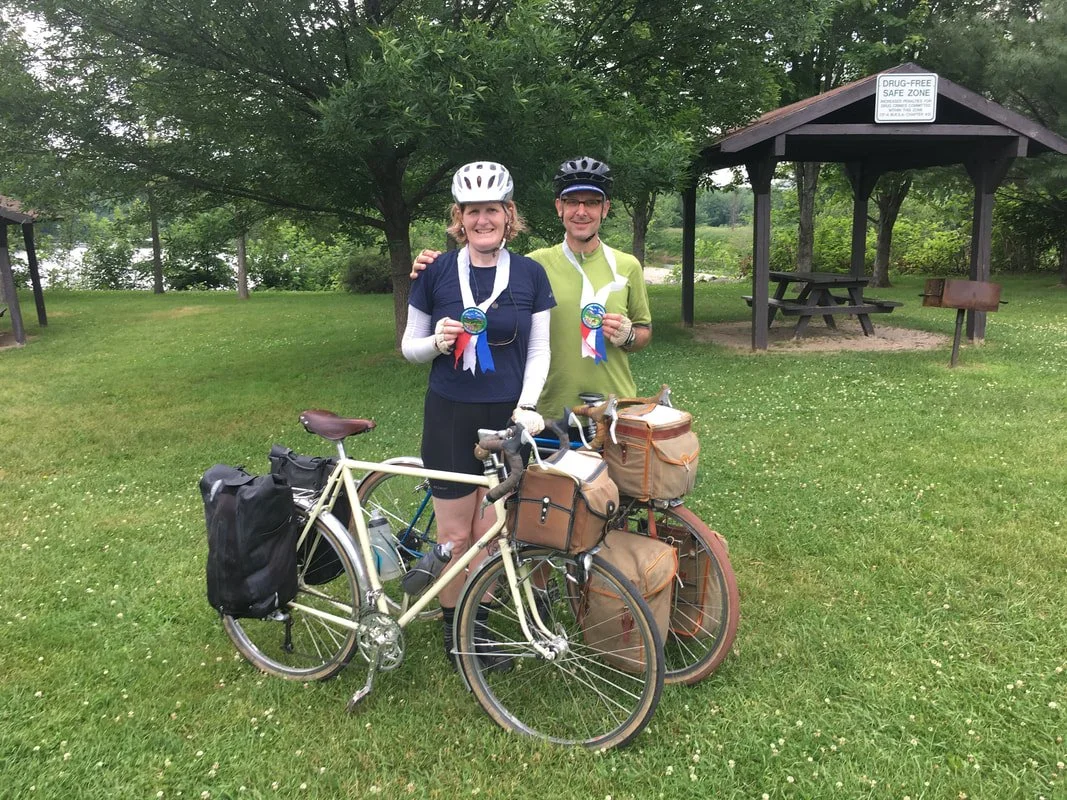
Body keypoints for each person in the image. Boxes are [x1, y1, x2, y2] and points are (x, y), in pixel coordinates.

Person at [401, 161, 555, 669]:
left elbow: (539, 350)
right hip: (449, 414)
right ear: (458, 218)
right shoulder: (437, 271)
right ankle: (454, 636)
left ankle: (478, 627)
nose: (482, 219)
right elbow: (408, 348)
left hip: (505, 417)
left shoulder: (531, 274)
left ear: (509, 216)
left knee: (492, 532)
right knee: (455, 535)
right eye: (472, 211)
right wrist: (437, 343)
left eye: (493, 210)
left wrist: (528, 406)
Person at [412, 156, 651, 420]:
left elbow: (644, 332)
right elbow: (485, 270)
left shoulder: (628, 266)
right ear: (559, 206)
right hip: (548, 408)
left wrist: (629, 336)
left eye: (592, 203)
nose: (581, 211)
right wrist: (429, 267)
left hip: (613, 407)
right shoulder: (532, 266)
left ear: (605, 208)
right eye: (572, 202)